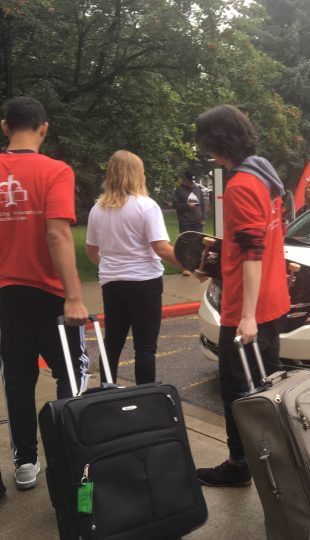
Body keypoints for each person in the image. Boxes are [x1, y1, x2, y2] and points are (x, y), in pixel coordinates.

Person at [193, 105, 290, 487]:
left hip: (247, 310)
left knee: (238, 392)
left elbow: (252, 252)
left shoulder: (240, 185)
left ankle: (239, 465)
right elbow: (256, 242)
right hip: (274, 300)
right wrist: (216, 264)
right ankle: (275, 461)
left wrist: (246, 315)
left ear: (217, 142)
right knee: (266, 389)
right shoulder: (265, 174)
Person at [0, 96, 89, 491]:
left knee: (18, 380)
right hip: (51, 295)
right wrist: (74, 296)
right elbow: (56, 233)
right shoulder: (56, 171)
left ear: (5, 127)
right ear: (44, 128)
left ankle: (25, 462)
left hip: (6, 295)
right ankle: (67, 454)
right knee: (71, 373)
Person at [85, 150, 181, 385]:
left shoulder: (98, 209)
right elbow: (161, 248)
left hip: (112, 283)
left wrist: (110, 266)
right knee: (145, 347)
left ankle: (107, 392)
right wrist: (189, 266)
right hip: (144, 283)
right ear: (137, 174)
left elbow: (91, 251)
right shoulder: (146, 206)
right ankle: (145, 397)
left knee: (113, 342)